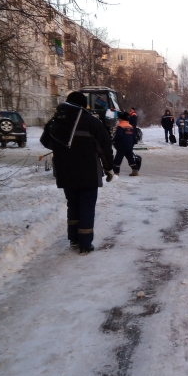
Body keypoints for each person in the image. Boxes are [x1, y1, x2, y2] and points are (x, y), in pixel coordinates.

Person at [40, 91, 114, 255]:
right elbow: (105, 147)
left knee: (73, 205)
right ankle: (85, 244)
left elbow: (45, 141)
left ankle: (74, 239)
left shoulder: (56, 121)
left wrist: (64, 150)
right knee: (86, 206)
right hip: (88, 174)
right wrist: (109, 168)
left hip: (65, 172)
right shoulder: (91, 122)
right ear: (84, 105)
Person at [113, 112, 138, 176]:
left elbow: (119, 136)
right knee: (130, 158)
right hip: (129, 145)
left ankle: (116, 172)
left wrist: (114, 141)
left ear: (121, 119)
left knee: (118, 159)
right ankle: (135, 170)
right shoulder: (130, 126)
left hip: (122, 145)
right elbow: (134, 136)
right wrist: (133, 143)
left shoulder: (120, 126)